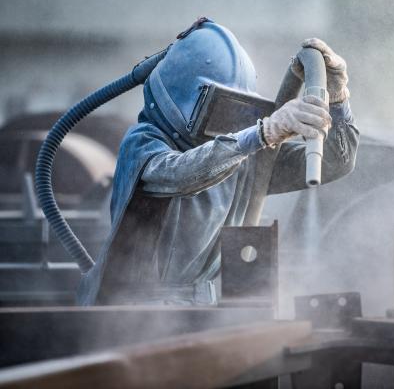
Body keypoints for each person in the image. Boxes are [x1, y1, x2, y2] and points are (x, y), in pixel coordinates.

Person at [77, 18, 359, 305]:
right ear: (182, 99)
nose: (224, 123)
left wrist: (337, 100)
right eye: (216, 108)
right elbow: (181, 174)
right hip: (129, 311)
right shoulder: (143, 143)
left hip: (203, 307)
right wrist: (262, 133)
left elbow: (336, 161)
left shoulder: (244, 154)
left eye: (234, 109)